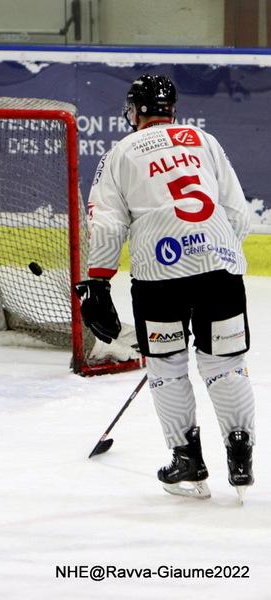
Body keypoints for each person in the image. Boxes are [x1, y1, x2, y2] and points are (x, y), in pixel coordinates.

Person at [76, 74, 255, 502]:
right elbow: (237, 213)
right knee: (225, 365)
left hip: (159, 275)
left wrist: (97, 284)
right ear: (172, 110)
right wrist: (216, 252)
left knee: (168, 366)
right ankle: (240, 456)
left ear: (135, 111)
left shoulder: (119, 153)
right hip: (219, 268)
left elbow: (106, 223)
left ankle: (187, 463)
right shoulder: (204, 140)